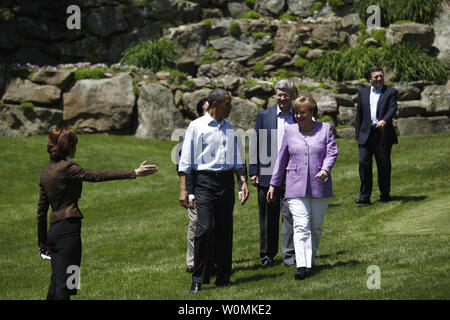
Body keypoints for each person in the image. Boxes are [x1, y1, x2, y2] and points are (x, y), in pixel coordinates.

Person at [37, 127, 158, 300]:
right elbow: (96, 175)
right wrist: (134, 173)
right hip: (68, 231)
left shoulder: (46, 172)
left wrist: (43, 244)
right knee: (68, 283)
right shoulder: (68, 167)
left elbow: (41, 212)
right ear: (68, 146)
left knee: (57, 281)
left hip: (54, 232)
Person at [178, 88, 249, 293]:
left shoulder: (229, 127)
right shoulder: (196, 126)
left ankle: (224, 277)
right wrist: (184, 190)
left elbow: (236, 158)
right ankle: (198, 278)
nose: (231, 107)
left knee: (225, 230)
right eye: (228, 103)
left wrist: (242, 181)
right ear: (215, 105)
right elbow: (186, 160)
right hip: (204, 182)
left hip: (225, 182)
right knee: (205, 229)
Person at [267, 96, 338, 280]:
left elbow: (332, 152)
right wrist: (274, 184)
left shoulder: (325, 129)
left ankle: (310, 258)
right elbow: (281, 159)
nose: (298, 116)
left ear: (312, 112)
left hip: (319, 185)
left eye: (302, 112)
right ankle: (302, 265)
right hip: (294, 185)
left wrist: (325, 169)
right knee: (301, 225)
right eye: (296, 112)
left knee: (315, 226)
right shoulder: (290, 131)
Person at [249, 79, 296, 267]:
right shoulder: (264, 116)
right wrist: (254, 170)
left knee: (290, 216)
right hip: (267, 173)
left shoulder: (297, 116)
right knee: (268, 217)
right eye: (279, 94)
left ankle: (289, 255)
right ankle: (267, 255)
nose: (282, 97)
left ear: (293, 96)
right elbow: (255, 144)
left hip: (292, 173)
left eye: (285, 94)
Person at [355, 66, 398, 205]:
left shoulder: (390, 91)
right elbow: (359, 114)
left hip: (382, 134)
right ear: (370, 79)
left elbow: (392, 108)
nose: (379, 78)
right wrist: (358, 134)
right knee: (364, 164)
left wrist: (384, 120)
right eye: (376, 77)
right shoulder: (362, 93)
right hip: (366, 134)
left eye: (381, 76)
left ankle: (385, 194)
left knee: (383, 165)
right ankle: (364, 197)